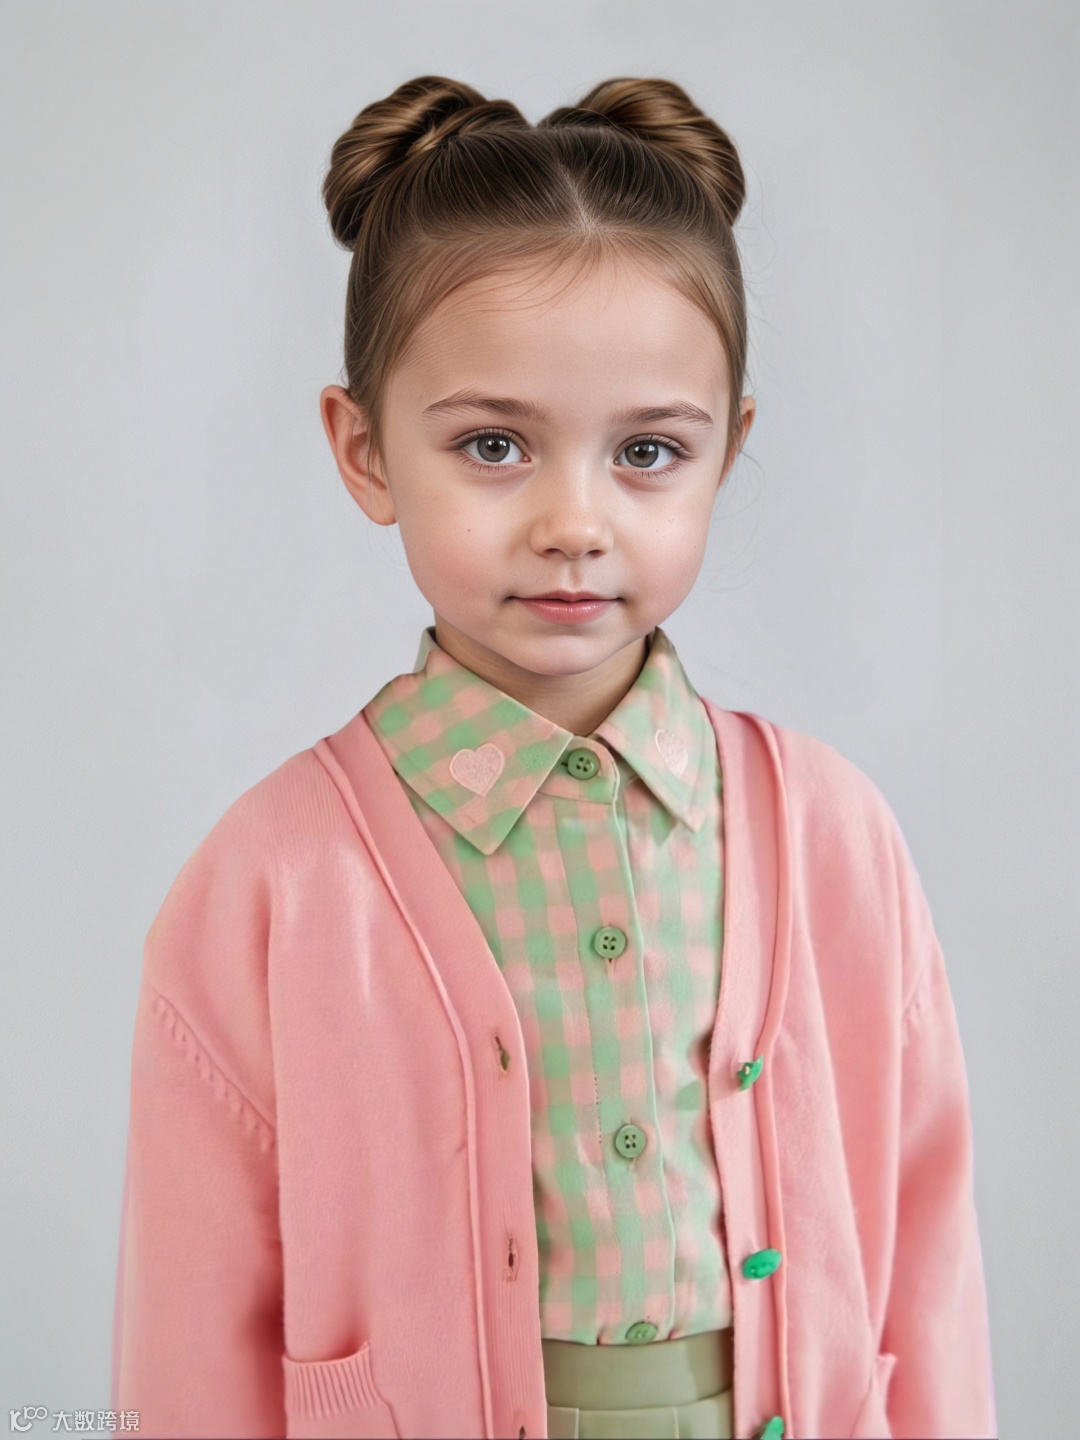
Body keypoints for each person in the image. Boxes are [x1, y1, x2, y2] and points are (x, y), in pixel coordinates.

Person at [110, 75, 996, 1440]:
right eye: (494, 446)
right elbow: (190, 1326)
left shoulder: (834, 835)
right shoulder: (271, 881)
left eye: (647, 450)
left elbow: (928, 1267)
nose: (574, 522)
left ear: (727, 450)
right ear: (365, 451)